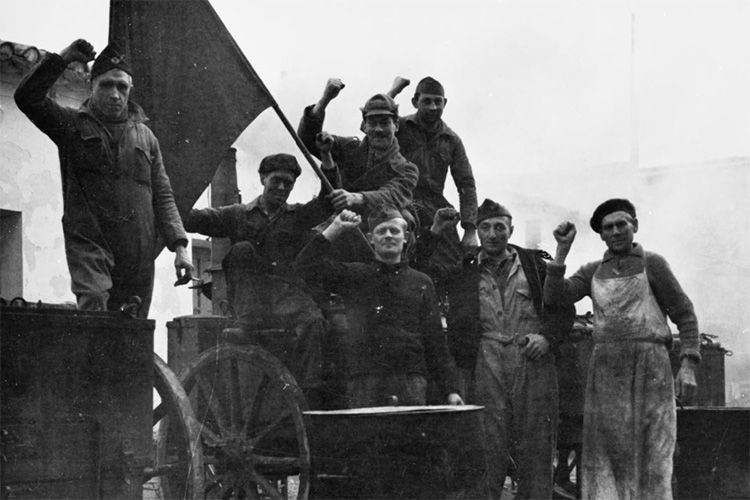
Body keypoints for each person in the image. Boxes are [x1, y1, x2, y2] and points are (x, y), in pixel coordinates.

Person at [14, 39, 192, 317]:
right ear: (91, 86)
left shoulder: (147, 138)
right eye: (106, 85)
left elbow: (163, 195)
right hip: (91, 245)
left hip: (137, 252)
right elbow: (27, 98)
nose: (115, 94)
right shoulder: (71, 125)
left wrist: (180, 247)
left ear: (130, 90)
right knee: (95, 314)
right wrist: (63, 59)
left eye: (122, 86)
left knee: (133, 331)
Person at [546, 198, 700, 500]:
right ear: (601, 235)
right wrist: (561, 251)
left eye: (621, 224)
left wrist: (689, 364)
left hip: (651, 368)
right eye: (608, 228)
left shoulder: (652, 264)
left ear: (634, 227)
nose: (616, 231)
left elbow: (685, 314)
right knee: (607, 451)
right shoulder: (593, 270)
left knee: (654, 450)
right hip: (606, 372)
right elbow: (556, 298)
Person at [420, 200, 574, 499]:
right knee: (487, 442)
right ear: (477, 231)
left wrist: (547, 339)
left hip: (532, 359)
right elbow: (421, 273)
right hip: (485, 359)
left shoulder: (534, 266)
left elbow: (563, 308)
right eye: (485, 227)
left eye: (499, 227)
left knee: (536, 443)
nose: (493, 234)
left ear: (511, 229)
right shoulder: (464, 271)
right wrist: (435, 232)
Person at [184, 152, 336, 404]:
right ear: (263, 178)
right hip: (250, 300)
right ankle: (249, 325)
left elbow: (327, 202)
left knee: (314, 321)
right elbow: (197, 219)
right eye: (276, 180)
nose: (282, 187)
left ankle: (309, 395)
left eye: (289, 183)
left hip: (286, 295)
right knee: (241, 250)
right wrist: (171, 201)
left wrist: (328, 163)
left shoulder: (297, 216)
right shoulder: (237, 214)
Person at [294, 205, 463, 408]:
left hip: (411, 382)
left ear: (406, 237)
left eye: (394, 231)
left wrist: (451, 390)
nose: (388, 236)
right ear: (371, 238)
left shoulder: (421, 282)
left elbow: (435, 342)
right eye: (381, 231)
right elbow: (304, 267)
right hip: (365, 381)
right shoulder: (356, 275)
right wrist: (336, 228)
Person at [297, 79, 418, 216]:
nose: (378, 129)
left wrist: (356, 198)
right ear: (364, 127)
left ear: (396, 125)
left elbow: (392, 195)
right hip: (337, 222)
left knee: (402, 217)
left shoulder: (407, 169)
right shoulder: (348, 148)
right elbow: (308, 140)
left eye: (385, 123)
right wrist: (325, 100)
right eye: (372, 123)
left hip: (377, 229)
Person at [387, 76, 479, 248]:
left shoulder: (451, 140)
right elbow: (372, 126)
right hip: (398, 202)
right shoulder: (399, 126)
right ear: (415, 102)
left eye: (438, 102)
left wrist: (470, 230)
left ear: (445, 103)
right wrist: (393, 92)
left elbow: (466, 184)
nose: (433, 107)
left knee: (452, 260)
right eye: (426, 101)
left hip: (434, 208)